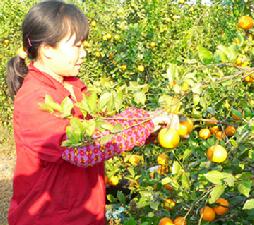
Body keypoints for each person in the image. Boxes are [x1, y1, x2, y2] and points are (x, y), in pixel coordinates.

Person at [6, 1, 178, 224]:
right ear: (47, 49)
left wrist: (151, 127)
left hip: (86, 213)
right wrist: (142, 124)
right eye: (77, 46)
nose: (84, 53)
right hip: (50, 218)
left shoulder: (74, 86)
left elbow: (104, 125)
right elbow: (84, 147)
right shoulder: (34, 100)